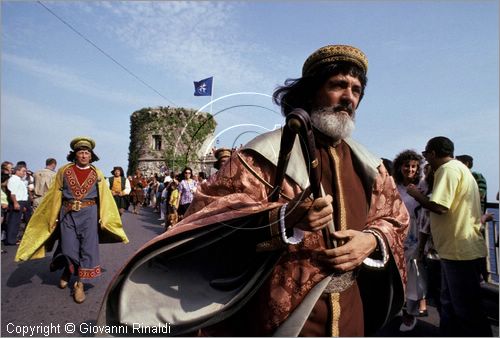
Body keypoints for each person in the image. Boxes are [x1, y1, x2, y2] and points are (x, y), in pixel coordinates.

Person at [97, 44, 409, 336]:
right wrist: (284, 218)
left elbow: (395, 217)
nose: (348, 97)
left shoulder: (370, 166)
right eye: (338, 85)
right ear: (313, 91)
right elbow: (210, 212)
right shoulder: (263, 155)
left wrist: (370, 240)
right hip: (281, 313)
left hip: (352, 311)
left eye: (356, 90)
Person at [15, 137, 128, 304]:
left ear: (91, 156)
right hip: (67, 214)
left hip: (89, 214)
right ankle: (68, 270)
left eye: (87, 153)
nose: (83, 155)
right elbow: (54, 195)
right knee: (68, 247)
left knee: (88, 249)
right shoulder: (64, 171)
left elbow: (105, 197)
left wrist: (105, 218)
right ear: (75, 155)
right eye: (80, 152)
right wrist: (52, 217)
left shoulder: (97, 173)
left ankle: (80, 283)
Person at [407, 136, 492, 336]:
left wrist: (416, 194)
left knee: (466, 310)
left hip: (457, 251)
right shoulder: (460, 169)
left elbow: (439, 206)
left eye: (426, 155)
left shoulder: (447, 170)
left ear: (434, 153)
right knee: (451, 304)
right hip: (457, 249)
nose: (426, 160)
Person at [392, 150, 427, 332]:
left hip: (415, 233)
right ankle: (396, 308)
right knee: (397, 274)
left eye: (414, 166)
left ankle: (410, 315)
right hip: (396, 232)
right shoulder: (394, 185)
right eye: (407, 165)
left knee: (414, 274)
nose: (410, 169)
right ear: (399, 167)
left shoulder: (422, 185)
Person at [5, 165, 29, 245]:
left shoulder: (19, 180)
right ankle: (10, 240)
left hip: (21, 202)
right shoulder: (14, 179)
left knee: (17, 222)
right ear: (17, 171)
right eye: (23, 171)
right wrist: (15, 203)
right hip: (17, 202)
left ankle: (13, 239)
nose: (24, 173)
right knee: (13, 222)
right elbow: (13, 193)